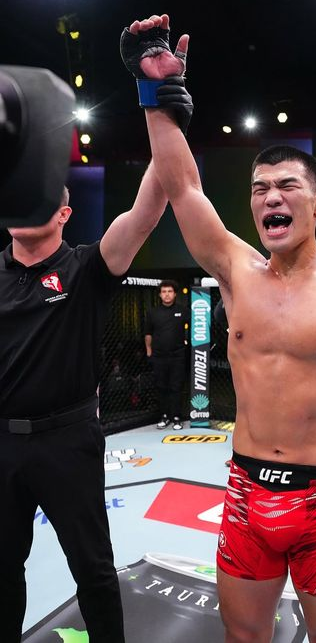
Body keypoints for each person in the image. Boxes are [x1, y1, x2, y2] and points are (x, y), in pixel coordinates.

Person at [121, 14, 316, 643]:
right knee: (243, 638)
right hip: (244, 494)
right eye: (260, 188)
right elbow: (182, 187)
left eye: (287, 185)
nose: (270, 197)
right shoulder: (237, 272)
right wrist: (152, 93)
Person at [0, 162, 172, 642]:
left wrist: (163, 123)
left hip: (68, 443)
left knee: (92, 568)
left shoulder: (85, 268)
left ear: (63, 214)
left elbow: (144, 214)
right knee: (3, 569)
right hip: (2, 444)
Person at [145, 278, 190, 429]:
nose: (167, 294)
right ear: (160, 294)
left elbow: (195, 327)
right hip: (158, 356)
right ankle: (164, 416)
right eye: (164, 291)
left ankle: (176, 417)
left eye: (170, 291)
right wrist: (149, 351)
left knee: (176, 387)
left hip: (177, 356)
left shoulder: (183, 311)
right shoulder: (153, 312)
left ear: (175, 294)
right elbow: (148, 333)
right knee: (161, 387)